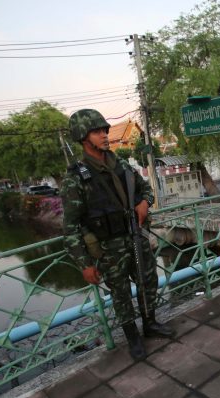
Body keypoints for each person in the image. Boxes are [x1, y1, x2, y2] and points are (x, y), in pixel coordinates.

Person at [61, 109, 174, 360]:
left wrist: (145, 202)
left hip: (136, 235)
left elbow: (145, 190)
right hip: (109, 247)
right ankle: (133, 337)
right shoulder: (76, 178)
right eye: (97, 131)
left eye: (104, 130)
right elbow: (70, 226)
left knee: (148, 281)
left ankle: (150, 323)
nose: (104, 135)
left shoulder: (122, 165)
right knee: (120, 293)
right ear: (82, 137)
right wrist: (85, 264)